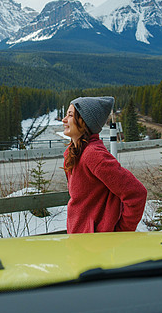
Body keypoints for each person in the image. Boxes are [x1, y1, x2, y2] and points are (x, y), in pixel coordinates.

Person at [62, 96, 147, 233]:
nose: (64, 120)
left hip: (98, 246)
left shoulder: (94, 155)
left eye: (70, 115)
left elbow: (137, 193)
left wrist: (121, 232)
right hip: (79, 242)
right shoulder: (72, 154)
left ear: (84, 121)